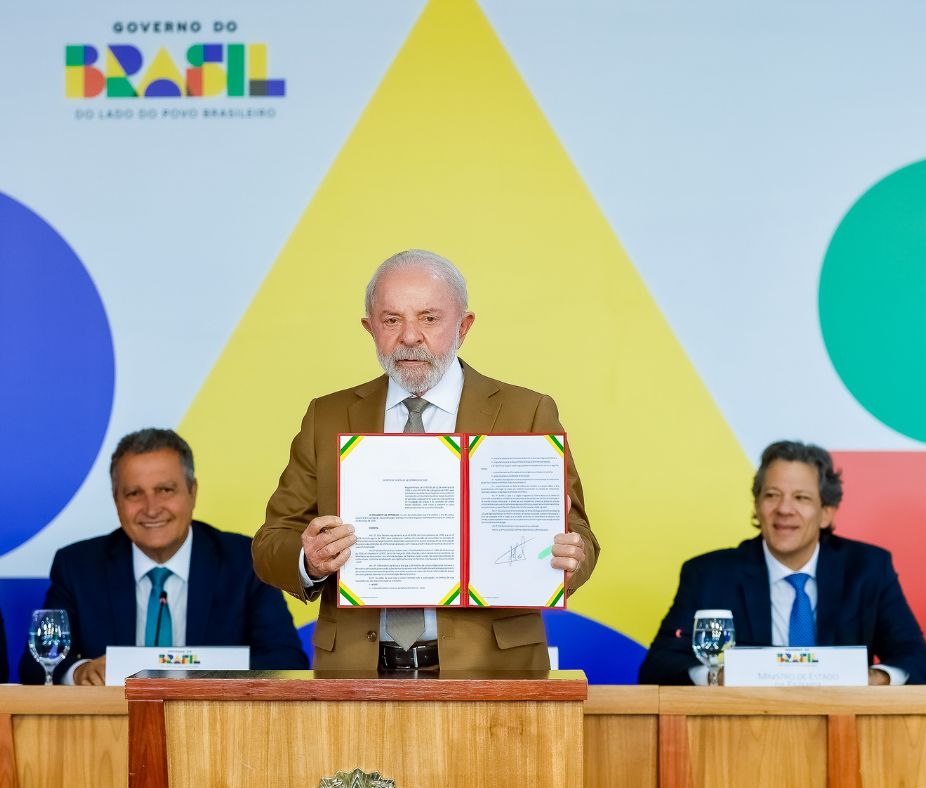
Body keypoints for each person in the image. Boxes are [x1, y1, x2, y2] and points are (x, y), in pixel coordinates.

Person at [252, 249, 599, 671]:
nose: (410, 337)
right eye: (391, 320)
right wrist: (309, 560)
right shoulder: (326, 416)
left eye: (429, 318)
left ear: (463, 326)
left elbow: (579, 534)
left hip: (493, 669)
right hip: (356, 671)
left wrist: (571, 557)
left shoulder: (526, 412)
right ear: (369, 328)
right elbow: (271, 542)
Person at [19, 428, 309, 685]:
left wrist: (203, 675)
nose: (151, 508)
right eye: (134, 493)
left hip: (215, 723)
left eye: (165, 490)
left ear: (192, 492)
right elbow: (36, 665)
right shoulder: (78, 566)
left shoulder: (246, 561)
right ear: (116, 500)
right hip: (113, 723)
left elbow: (287, 662)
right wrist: (79, 672)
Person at [639, 440, 926, 686]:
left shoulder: (868, 569)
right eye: (772, 495)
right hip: (743, 730)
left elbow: (918, 662)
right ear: (757, 506)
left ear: (827, 512)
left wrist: (874, 680)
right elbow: (658, 667)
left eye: (801, 498)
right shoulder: (709, 575)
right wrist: (716, 677)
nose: (784, 509)